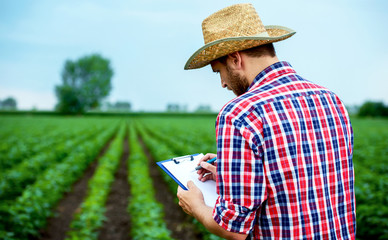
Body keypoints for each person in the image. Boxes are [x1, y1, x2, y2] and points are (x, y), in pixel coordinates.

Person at [177, 3, 356, 240]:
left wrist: (196, 205)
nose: (222, 83)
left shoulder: (239, 113)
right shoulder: (331, 100)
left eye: (218, 71)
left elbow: (234, 229)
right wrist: (231, 175)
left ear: (235, 59)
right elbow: (300, 179)